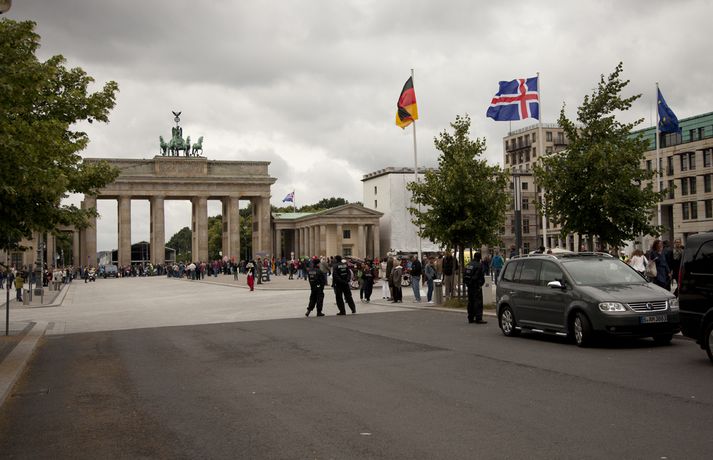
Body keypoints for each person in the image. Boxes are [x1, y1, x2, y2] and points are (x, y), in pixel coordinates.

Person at [463, 253, 486, 324]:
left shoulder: (468, 264)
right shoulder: (479, 265)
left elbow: (464, 275)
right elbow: (480, 276)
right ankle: (478, 318)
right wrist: (480, 284)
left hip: (469, 286)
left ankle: (470, 317)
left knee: (470, 302)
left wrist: (468, 283)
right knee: (478, 302)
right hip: (476, 286)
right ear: (479, 258)